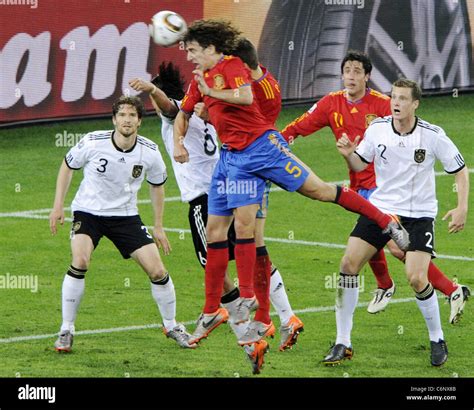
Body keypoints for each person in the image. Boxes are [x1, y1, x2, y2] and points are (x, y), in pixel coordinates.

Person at [173, 19, 408, 373]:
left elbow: (245, 96)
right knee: (216, 230)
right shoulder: (200, 79)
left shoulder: (231, 68)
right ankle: (213, 310)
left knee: (320, 192)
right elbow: (185, 111)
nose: (189, 57)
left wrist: (212, 92)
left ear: (210, 49)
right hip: (231, 159)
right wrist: (179, 139)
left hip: (262, 150)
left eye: (192, 50)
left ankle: (383, 220)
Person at [129, 57, 303, 355]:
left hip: (205, 200)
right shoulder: (205, 113)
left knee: (212, 263)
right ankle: (285, 316)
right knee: (256, 251)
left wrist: (150, 90)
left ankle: (233, 317)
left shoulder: (178, 114)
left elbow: (169, 107)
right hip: (232, 189)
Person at [281, 50, 470, 323]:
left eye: (358, 71)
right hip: (361, 185)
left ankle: (404, 287)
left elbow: (408, 129)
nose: (351, 76)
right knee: (381, 246)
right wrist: (281, 139)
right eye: (347, 70)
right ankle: (440, 289)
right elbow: (300, 125)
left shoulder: (383, 104)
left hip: (383, 189)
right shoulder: (331, 103)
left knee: (394, 246)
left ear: (367, 77)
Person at [324, 78, 469, 367]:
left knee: (416, 278)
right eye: (394, 97)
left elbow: (460, 170)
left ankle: (437, 338)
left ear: (415, 104)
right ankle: (343, 342)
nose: (396, 103)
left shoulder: (432, 135)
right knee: (347, 264)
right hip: (381, 210)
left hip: (418, 215)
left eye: (403, 99)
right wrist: (348, 155)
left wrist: (461, 207)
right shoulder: (377, 128)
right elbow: (360, 164)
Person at [49, 95, 195, 352]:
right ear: (114, 119)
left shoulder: (149, 151)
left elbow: (157, 186)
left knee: (158, 271)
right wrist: (58, 205)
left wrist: (158, 226)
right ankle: (66, 329)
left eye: (132, 115)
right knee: (80, 261)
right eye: (122, 115)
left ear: (139, 121)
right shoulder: (94, 142)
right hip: (88, 212)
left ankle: (172, 326)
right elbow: (67, 165)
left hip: (125, 217)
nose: (127, 120)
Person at [194, 37, 305, 352]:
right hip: (253, 158)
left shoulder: (250, 88)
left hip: (253, 161)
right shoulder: (267, 83)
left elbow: (251, 117)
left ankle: (275, 316)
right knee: (254, 241)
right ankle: (279, 317)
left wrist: (212, 107)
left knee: (253, 242)